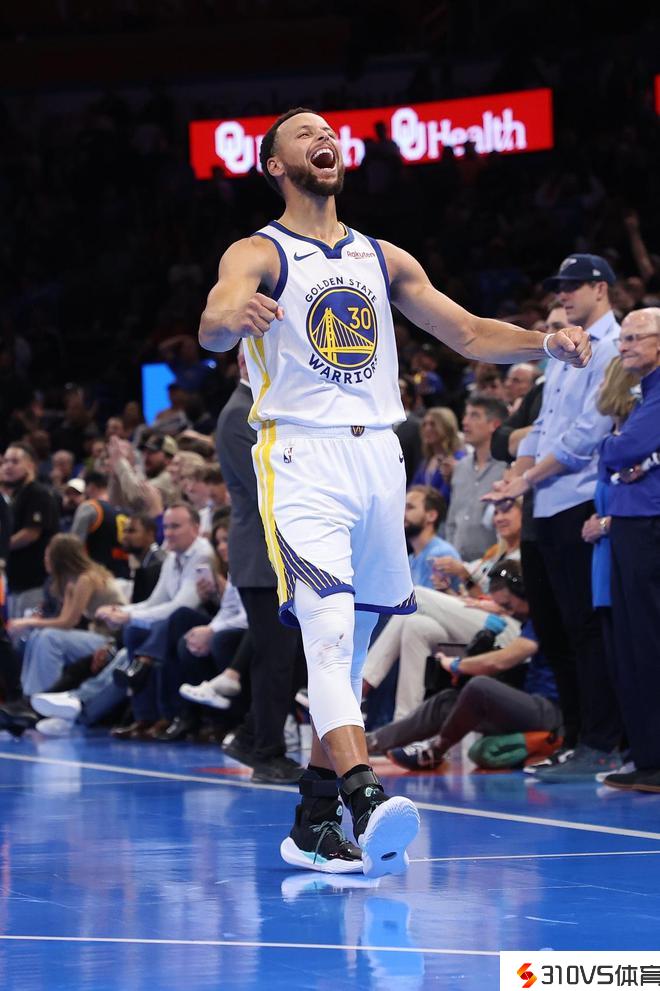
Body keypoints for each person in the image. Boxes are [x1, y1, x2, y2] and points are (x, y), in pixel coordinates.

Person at [198, 107, 590, 877]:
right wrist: (226, 320)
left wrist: (545, 342)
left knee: (347, 657)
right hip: (302, 456)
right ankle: (366, 794)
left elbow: (468, 332)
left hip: (380, 456)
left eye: (329, 131)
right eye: (304, 133)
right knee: (327, 634)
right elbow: (214, 319)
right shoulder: (259, 251)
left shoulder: (382, 257)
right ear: (274, 164)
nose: (324, 138)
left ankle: (314, 820)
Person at [485, 253, 624, 781]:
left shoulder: (613, 347)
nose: (562, 294)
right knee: (555, 630)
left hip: (578, 501)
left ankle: (602, 742)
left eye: (573, 286)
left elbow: (587, 434)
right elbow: (542, 428)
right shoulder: (561, 349)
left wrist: (528, 479)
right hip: (543, 502)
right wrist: (514, 481)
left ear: (601, 289)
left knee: (586, 628)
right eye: (559, 287)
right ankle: (575, 737)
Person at [369, 561, 561, 771]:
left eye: (507, 606)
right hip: (528, 703)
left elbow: (501, 660)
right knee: (447, 701)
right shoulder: (527, 620)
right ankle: (371, 742)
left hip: (550, 711)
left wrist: (457, 664)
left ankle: (435, 750)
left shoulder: (545, 617)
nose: (508, 612)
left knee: (480, 686)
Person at [215, 349, 304, 784]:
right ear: (245, 362)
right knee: (276, 658)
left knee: (286, 655)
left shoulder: (259, 409)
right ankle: (268, 753)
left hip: (271, 553)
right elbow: (263, 486)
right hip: (260, 555)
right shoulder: (239, 415)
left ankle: (252, 735)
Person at [598, 309, 660, 793]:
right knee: (632, 642)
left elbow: (617, 452)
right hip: (632, 519)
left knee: (646, 641)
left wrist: (620, 449)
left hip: (646, 522)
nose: (624, 346)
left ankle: (654, 759)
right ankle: (647, 757)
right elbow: (621, 457)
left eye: (635, 338)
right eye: (622, 339)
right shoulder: (645, 395)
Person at [445, 395, 508, 561]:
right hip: (458, 561)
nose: (465, 422)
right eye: (466, 415)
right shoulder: (460, 467)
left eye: (474, 416)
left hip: (493, 562)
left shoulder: (508, 468)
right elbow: (452, 520)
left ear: (494, 425)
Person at [2, 442, 60, 618]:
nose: (8, 466)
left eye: (14, 461)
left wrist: (3, 547)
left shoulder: (38, 493)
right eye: (5, 461)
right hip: (16, 581)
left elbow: (30, 534)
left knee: (26, 629)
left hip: (35, 581)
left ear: (31, 465)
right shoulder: (16, 496)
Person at [410, 407, 465, 504]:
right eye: (424, 424)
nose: (427, 429)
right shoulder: (426, 461)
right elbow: (412, 488)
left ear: (447, 427)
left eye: (433, 424)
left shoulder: (459, 458)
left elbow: (446, 495)